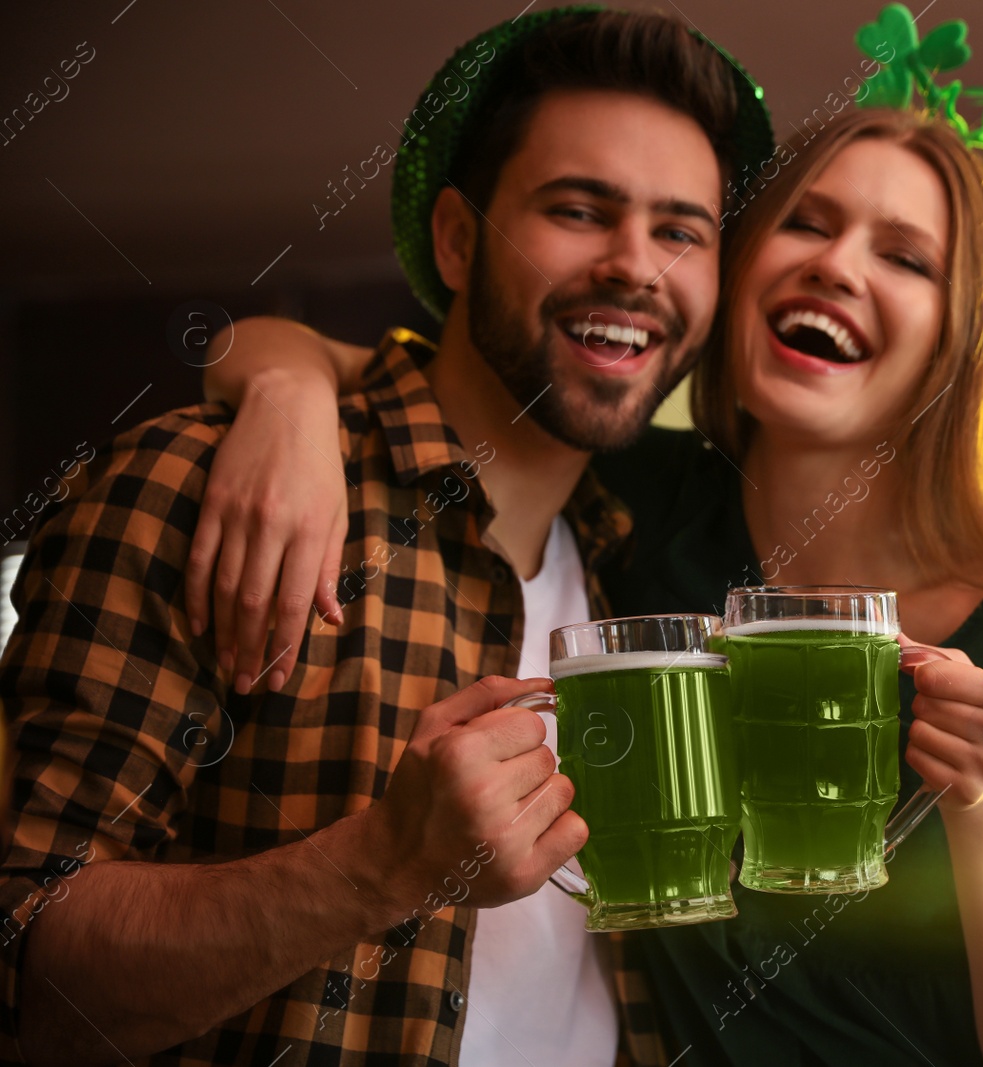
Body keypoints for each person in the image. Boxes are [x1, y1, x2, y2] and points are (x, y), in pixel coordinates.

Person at [193, 45, 983, 1067]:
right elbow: (368, 373)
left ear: (961, 334)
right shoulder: (639, 503)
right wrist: (285, 395)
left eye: (903, 255)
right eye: (804, 220)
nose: (834, 265)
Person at [0, 10, 771, 1066]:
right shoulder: (205, 482)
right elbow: (28, 979)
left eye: (681, 230)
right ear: (456, 239)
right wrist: (379, 863)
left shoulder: (634, 553)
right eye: (580, 209)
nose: (636, 265)